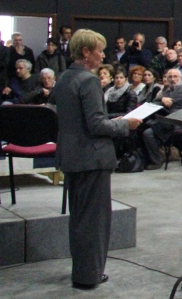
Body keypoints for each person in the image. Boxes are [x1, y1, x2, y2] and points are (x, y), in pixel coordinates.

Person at [50, 29, 141, 289]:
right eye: (99, 50)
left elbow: (82, 121)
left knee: (79, 218)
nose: (103, 55)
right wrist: (125, 124)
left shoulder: (65, 77)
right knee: (94, 222)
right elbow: (96, 126)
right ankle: (89, 275)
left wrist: (110, 121)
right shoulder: (88, 81)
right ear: (86, 52)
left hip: (72, 156)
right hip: (92, 158)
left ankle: (82, 270)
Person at [140, 68, 182, 170]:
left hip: (176, 121)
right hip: (164, 119)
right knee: (140, 126)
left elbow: (168, 104)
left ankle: (156, 160)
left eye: (175, 76)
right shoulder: (167, 90)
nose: (172, 79)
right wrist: (162, 99)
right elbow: (154, 102)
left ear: (181, 78)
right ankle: (144, 158)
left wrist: (161, 100)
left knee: (148, 133)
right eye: (170, 77)